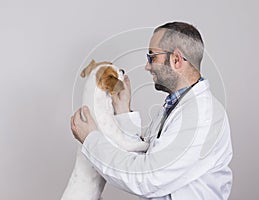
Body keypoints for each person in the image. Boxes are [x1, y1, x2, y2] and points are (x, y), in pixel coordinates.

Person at [71, 22, 233, 200]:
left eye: (152, 57)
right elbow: (142, 161)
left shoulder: (202, 115)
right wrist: (123, 109)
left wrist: (90, 140)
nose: (147, 66)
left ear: (176, 60)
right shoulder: (175, 108)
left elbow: (147, 178)